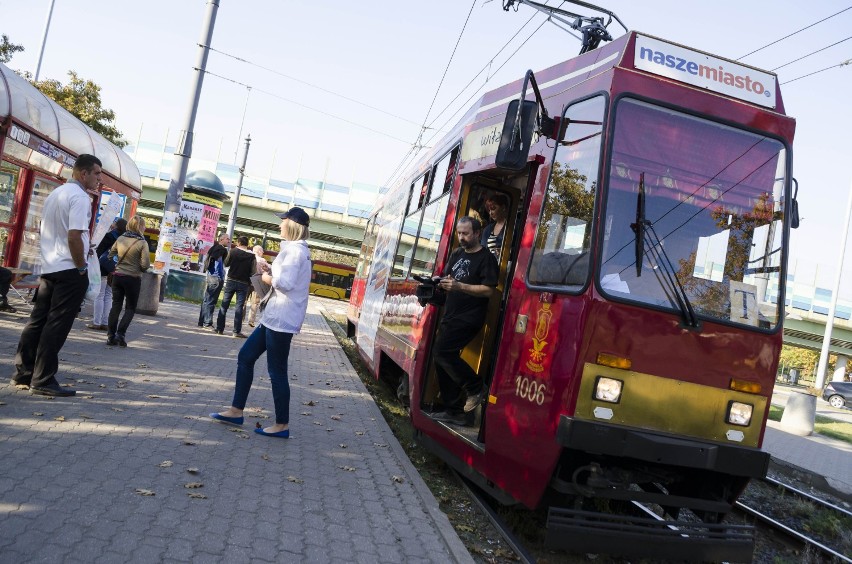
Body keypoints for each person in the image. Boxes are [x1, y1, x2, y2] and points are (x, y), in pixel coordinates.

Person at [210, 207, 312, 439]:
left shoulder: (295, 252)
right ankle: (236, 411)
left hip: (281, 319)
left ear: (292, 225)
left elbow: (284, 283)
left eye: (282, 221)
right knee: (245, 357)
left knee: (277, 372)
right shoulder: (295, 250)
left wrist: (266, 277)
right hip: (275, 317)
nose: (279, 225)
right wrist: (270, 268)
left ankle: (282, 425)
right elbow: (287, 278)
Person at [11, 154, 102, 397]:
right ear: (83, 173)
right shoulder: (81, 198)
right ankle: (43, 379)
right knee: (57, 324)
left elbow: (57, 231)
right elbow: (73, 235)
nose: (98, 179)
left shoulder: (56, 194)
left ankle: (24, 372)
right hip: (70, 268)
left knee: (38, 320)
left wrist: (82, 246)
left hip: (50, 266)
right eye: (96, 174)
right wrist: (81, 265)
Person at [432, 216, 499, 426]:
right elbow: (449, 278)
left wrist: (460, 287)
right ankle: (453, 411)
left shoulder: (486, 258)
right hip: (450, 314)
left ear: (477, 233)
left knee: (443, 352)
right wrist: (436, 282)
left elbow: (489, 290)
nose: (461, 237)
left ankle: (475, 387)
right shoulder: (457, 253)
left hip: (469, 318)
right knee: (440, 359)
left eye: (466, 233)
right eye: (459, 233)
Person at [106, 215, 150, 347]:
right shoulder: (142, 243)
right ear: (140, 227)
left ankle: (110, 336)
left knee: (116, 306)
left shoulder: (120, 238)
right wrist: (137, 267)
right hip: (133, 279)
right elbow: (145, 265)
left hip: (118, 277)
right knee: (130, 308)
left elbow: (110, 255)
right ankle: (121, 334)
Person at [87, 217, 127, 330]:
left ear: (116, 226)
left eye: (114, 222)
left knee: (99, 295)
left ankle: (96, 322)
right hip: (115, 270)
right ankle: (105, 323)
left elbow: (98, 252)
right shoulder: (123, 239)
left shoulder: (108, 236)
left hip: (102, 269)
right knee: (109, 296)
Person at [215, 235, 256, 337]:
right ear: (247, 244)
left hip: (231, 280)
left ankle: (220, 328)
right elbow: (253, 271)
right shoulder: (252, 256)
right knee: (239, 307)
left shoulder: (233, 252)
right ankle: (236, 331)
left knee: (224, 304)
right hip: (244, 283)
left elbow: (226, 263)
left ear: (238, 243)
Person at [198, 234, 230, 328]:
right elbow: (218, 264)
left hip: (210, 276)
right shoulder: (221, 250)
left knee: (206, 300)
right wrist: (221, 276)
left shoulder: (213, 248)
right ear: (221, 239)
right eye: (227, 239)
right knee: (211, 301)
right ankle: (207, 323)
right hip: (216, 278)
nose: (229, 241)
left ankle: (201, 321)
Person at [247, 245, 271, 328]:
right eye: (262, 251)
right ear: (259, 251)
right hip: (256, 283)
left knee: (243, 301)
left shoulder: (248, 257)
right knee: (255, 302)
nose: (263, 252)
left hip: (247, 282)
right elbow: (267, 269)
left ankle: (240, 318)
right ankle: (251, 320)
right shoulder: (262, 260)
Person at [480, 192, 509, 261]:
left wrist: (507, 252)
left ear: (503, 207)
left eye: (493, 208)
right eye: (489, 210)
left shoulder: (514, 227)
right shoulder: (487, 229)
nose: (490, 213)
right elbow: (482, 250)